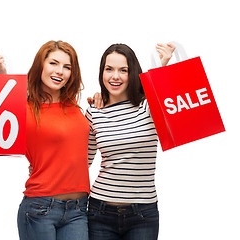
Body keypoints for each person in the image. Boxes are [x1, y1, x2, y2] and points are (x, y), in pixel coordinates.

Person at [0, 40, 94, 240]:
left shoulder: (74, 106)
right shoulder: (23, 108)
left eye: (67, 67)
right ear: (40, 65)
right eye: (53, 63)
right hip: (40, 208)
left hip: (78, 209)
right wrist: (2, 75)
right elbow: (0, 108)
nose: (60, 71)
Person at [86, 43, 175, 240]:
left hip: (143, 214)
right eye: (109, 69)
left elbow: (172, 99)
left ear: (133, 73)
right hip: (99, 210)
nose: (114, 76)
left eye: (123, 70)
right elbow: (83, 161)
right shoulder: (94, 111)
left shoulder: (148, 106)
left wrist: (163, 65)